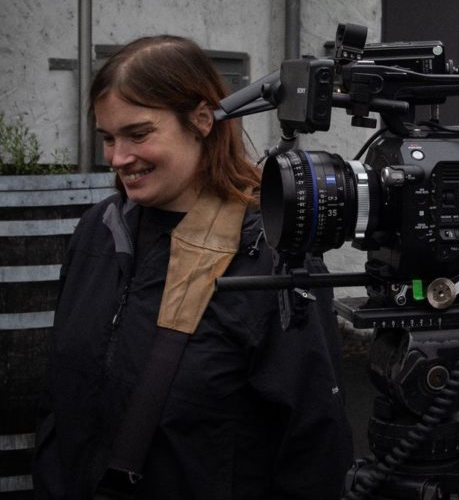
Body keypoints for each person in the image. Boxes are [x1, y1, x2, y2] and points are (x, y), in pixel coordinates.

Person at [33, 36, 355, 499]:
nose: (118, 157)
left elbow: (313, 444)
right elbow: (58, 395)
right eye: (108, 137)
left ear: (202, 120)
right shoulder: (98, 230)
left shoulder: (270, 254)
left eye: (139, 134)